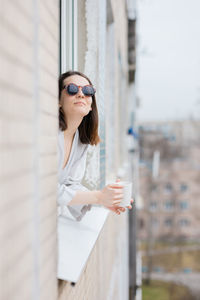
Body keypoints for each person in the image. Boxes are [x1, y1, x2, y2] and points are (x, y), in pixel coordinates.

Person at [57, 70, 133, 221]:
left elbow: (69, 184)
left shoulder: (79, 140)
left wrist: (104, 199)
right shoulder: (48, 135)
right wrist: (98, 197)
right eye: (72, 89)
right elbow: (47, 188)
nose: (81, 94)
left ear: (91, 105)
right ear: (58, 101)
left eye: (88, 91)